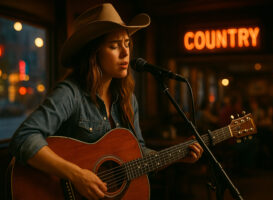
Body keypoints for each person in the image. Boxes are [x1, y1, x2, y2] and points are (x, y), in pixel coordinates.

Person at [9, 3, 203, 200]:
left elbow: (138, 154)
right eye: (114, 46)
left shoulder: (128, 99)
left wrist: (177, 155)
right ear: (93, 53)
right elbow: (24, 137)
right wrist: (76, 175)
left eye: (127, 44)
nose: (125, 53)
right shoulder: (71, 93)